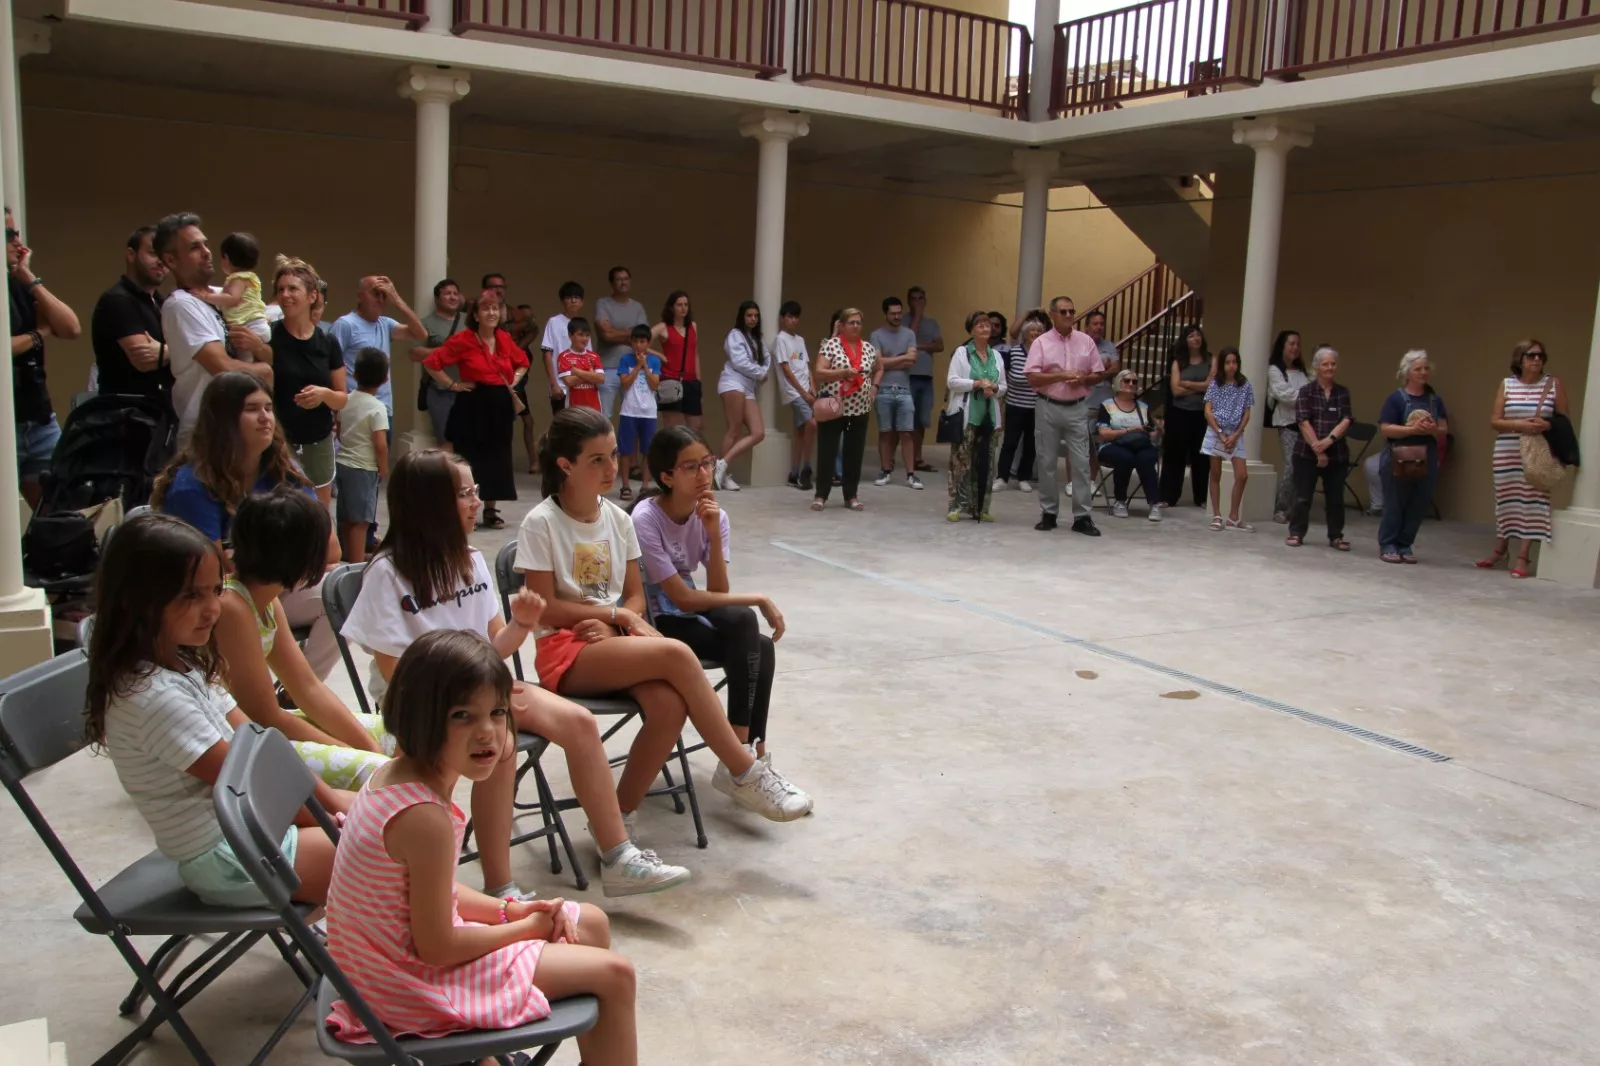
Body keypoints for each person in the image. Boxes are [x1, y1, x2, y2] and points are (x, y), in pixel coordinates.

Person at [341, 449, 691, 898]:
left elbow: (495, 646)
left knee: (579, 723)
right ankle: (500, 886)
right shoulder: (387, 575)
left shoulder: (470, 560)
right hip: (421, 705)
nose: (475, 503)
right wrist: (480, 699)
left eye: (475, 492)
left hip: (486, 693)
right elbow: (397, 672)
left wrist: (521, 625)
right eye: (464, 494)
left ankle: (617, 855)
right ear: (429, 504)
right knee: (500, 744)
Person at [323, 630, 639, 1065]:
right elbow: (436, 947)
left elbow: (436, 894)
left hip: (390, 964)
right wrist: (524, 930)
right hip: (404, 986)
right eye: (462, 716)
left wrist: (510, 911)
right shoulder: (422, 816)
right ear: (420, 717)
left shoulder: (398, 775)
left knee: (591, 923)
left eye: (496, 712)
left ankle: (485, 1057)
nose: (488, 733)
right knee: (616, 976)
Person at [517, 407, 813, 825]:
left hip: (614, 638)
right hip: (565, 649)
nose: (610, 468)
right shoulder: (541, 522)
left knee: (670, 706)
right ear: (565, 464)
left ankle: (614, 824)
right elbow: (545, 605)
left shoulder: (618, 520)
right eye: (596, 459)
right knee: (676, 655)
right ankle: (743, 770)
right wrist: (619, 615)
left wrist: (620, 618)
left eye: (613, 455)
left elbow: (637, 597)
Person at [85, 511, 339, 907]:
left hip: (254, 833)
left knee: (400, 820)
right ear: (138, 600)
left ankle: (460, 934)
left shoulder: (181, 664)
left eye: (215, 591)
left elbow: (261, 746)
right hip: (230, 857)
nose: (212, 609)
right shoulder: (153, 698)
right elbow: (252, 788)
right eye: (191, 595)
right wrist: (335, 817)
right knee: (393, 846)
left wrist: (336, 804)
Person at [151, 371, 341, 680]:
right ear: (223, 420)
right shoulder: (191, 486)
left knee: (341, 591)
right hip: (218, 601)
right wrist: (294, 555)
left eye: (268, 408)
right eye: (252, 409)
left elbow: (330, 548)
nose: (266, 418)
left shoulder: (283, 468)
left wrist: (265, 559)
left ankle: (294, 693)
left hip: (271, 584)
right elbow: (214, 575)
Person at [212, 489, 390, 791]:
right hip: (236, 741)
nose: (333, 549)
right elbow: (264, 715)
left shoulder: (267, 600)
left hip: (265, 727)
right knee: (378, 773)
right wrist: (355, 753)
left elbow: (307, 688)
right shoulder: (232, 606)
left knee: (402, 735)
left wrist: (369, 748)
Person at [631, 427, 790, 765]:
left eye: (706, 463)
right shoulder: (645, 518)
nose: (703, 474)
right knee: (747, 620)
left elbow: (718, 592)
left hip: (687, 614)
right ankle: (740, 757)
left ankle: (750, 750)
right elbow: (683, 599)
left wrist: (714, 535)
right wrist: (758, 598)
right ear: (667, 477)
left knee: (759, 645)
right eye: (691, 467)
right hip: (653, 621)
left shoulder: (715, 515)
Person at [155, 212, 270, 446]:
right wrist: (266, 371)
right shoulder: (181, 304)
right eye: (194, 247)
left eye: (206, 244)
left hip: (241, 429)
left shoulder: (224, 295)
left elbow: (270, 353)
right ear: (171, 260)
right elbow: (223, 368)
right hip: (205, 434)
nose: (207, 252)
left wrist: (260, 350)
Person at [422, 293, 528, 531]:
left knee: (498, 457)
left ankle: (490, 509)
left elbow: (523, 362)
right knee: (471, 457)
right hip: (473, 403)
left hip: (499, 404)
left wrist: (514, 381)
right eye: (486, 309)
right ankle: (465, 507)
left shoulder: (503, 337)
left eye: (496, 308)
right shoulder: (464, 339)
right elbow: (432, 363)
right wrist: (453, 384)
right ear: (475, 315)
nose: (492, 313)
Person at [9, 206, 82, 504]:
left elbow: (70, 327)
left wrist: (28, 276)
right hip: (7, 422)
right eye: (7, 235)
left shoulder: (18, 284)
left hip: (38, 419)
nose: (18, 243)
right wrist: (39, 335)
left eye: (16, 233)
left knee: (58, 512)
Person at [1480, 339, 1568, 577]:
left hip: (1538, 451)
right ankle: (1501, 549)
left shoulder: (1553, 384)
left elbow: (1563, 421)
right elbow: (1495, 421)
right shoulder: (1507, 384)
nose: (1537, 359)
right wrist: (1518, 424)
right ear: (1520, 359)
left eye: (1540, 355)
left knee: (1533, 500)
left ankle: (1523, 556)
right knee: (1506, 498)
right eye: (1531, 355)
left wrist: (1547, 424)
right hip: (1508, 449)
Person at [268, 255, 346, 509]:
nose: (285, 295)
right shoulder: (269, 336)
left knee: (318, 511)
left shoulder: (327, 342)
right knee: (280, 507)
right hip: (279, 438)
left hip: (318, 438)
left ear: (312, 296)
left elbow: (342, 397)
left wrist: (324, 394)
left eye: (293, 288)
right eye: (281, 289)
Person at [1025, 296, 1106, 536]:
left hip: (1078, 406)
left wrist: (1084, 378)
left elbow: (1098, 374)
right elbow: (1032, 376)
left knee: (1081, 463)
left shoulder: (1086, 341)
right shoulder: (1041, 342)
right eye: (1063, 312)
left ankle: (1082, 516)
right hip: (1048, 405)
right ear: (1053, 314)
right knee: (1047, 461)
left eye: (1072, 311)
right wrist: (1060, 376)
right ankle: (1049, 512)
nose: (1069, 315)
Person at [1377, 349, 1450, 564]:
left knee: (1419, 502)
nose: (1423, 373)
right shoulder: (1396, 399)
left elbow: (1444, 428)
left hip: (1426, 455)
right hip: (1399, 454)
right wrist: (1410, 429)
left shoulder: (1434, 401)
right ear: (1408, 372)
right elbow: (1386, 429)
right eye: (1418, 369)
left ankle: (1405, 543)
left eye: (1426, 368)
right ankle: (1388, 543)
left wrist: (1431, 428)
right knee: (1395, 501)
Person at [90, 224, 171, 409]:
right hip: (126, 416)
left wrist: (168, 351)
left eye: (165, 257)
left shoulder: (163, 302)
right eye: (153, 253)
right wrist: (183, 351)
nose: (161, 262)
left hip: (160, 412)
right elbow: (145, 360)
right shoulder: (117, 300)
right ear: (131, 254)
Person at [329, 274, 427, 419]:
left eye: (384, 295)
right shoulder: (345, 324)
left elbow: (421, 334)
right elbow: (331, 365)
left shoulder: (385, 323)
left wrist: (397, 300)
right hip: (355, 412)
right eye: (375, 294)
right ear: (359, 296)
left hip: (383, 410)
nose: (380, 300)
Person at [812, 308, 881, 511]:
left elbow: (880, 368)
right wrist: (842, 372)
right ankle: (820, 495)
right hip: (835, 406)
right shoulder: (830, 346)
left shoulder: (868, 348)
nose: (856, 326)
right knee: (828, 450)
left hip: (860, 408)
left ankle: (851, 495)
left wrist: (874, 387)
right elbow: (819, 372)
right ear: (841, 325)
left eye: (858, 322)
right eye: (851, 322)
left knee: (855, 452)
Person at [1287, 345, 1354, 550]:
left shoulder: (1342, 392)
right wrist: (1319, 448)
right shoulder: (1306, 392)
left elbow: (1347, 419)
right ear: (1316, 367)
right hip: (1306, 453)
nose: (1330, 368)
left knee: (1335, 498)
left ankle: (1336, 536)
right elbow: (1303, 421)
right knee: (1302, 496)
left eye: (1333, 364)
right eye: (1325, 364)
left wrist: (1329, 441)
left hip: (1337, 453)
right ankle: (1296, 533)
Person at [944, 311, 1006, 522]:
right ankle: (956, 506)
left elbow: (1004, 386)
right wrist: (977, 384)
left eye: (987, 325)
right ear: (971, 330)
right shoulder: (962, 353)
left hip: (989, 415)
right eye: (980, 325)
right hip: (967, 415)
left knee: (986, 462)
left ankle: (981, 507)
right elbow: (952, 381)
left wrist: (994, 387)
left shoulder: (996, 356)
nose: (985, 328)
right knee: (961, 461)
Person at [334, 348, 390, 562]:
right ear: (385, 379)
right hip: (364, 468)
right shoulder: (378, 408)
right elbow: (380, 444)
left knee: (347, 516)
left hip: (343, 464)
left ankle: (349, 555)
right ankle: (356, 564)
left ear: (354, 374)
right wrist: (383, 467)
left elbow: (338, 429)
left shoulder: (345, 400)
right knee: (361, 520)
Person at [714, 300, 770, 492]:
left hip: (748, 387)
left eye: (755, 316)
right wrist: (760, 373)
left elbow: (767, 361)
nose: (753, 319)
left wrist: (760, 371)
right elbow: (739, 362)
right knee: (734, 429)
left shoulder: (758, 339)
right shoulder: (735, 335)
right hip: (732, 382)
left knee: (759, 432)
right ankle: (723, 475)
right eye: (749, 315)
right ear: (742, 316)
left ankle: (721, 464)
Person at [1201, 346, 1256, 532]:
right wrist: (1220, 433)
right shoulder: (1215, 384)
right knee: (1215, 473)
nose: (1232, 366)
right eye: (1228, 362)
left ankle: (1234, 516)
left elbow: (1247, 412)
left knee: (1242, 474)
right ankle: (1217, 514)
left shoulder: (1245, 385)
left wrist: (1236, 434)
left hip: (1235, 432)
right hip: (1217, 431)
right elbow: (1208, 411)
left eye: (1235, 362)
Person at [870, 296, 922, 490]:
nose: (897, 316)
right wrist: (901, 358)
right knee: (885, 432)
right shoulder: (876, 335)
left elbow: (912, 360)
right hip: (882, 388)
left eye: (899, 313)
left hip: (904, 389)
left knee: (907, 433)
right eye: (893, 313)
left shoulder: (909, 334)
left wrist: (887, 360)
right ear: (886, 314)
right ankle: (885, 470)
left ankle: (911, 474)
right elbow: (876, 363)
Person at [1096, 369, 1161, 521]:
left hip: (1140, 445)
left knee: (1146, 458)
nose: (1131, 384)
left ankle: (1154, 503)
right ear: (1119, 382)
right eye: (1127, 381)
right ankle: (1120, 501)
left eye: (1134, 382)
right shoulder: (1107, 405)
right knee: (1124, 457)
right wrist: (1128, 430)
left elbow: (1152, 433)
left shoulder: (1143, 407)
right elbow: (1103, 433)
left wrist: (1157, 430)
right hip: (1112, 445)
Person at [1159, 324, 1212, 509]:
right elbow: (1175, 389)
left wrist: (1186, 383)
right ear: (1185, 340)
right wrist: (1199, 386)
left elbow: (1210, 387)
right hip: (1179, 413)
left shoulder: (1210, 361)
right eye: (1191, 336)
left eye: (1198, 335)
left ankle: (1202, 497)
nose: (1196, 338)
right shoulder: (1178, 362)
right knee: (1174, 455)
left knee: (1202, 456)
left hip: (1203, 414)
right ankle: (1168, 496)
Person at [409, 278, 466, 449]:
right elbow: (414, 354)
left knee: (469, 440)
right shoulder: (425, 323)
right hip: (440, 391)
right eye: (447, 293)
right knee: (446, 439)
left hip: (469, 388)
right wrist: (447, 351)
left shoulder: (470, 321)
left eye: (455, 293)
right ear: (437, 299)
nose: (452, 297)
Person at [593, 266, 649, 419]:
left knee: (633, 415)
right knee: (603, 416)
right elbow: (606, 335)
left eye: (625, 279)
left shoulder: (637, 307)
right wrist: (630, 334)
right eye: (618, 279)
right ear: (611, 283)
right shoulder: (603, 304)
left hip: (632, 367)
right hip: (607, 367)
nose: (623, 283)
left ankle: (629, 445)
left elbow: (643, 337)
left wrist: (615, 331)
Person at [615, 325, 662, 501]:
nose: (638, 345)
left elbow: (655, 385)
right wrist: (637, 367)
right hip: (629, 411)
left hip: (648, 413)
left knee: (648, 450)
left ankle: (644, 486)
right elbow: (625, 383)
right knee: (625, 450)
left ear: (648, 343)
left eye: (642, 341)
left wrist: (646, 367)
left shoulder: (655, 361)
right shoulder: (625, 359)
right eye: (635, 340)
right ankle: (625, 485)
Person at [1266, 329, 1309, 523]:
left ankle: (1296, 509)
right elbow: (1285, 395)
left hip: (1306, 425)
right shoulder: (1274, 370)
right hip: (1287, 424)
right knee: (1292, 466)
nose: (1295, 348)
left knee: (1303, 467)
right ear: (1282, 346)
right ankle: (1281, 507)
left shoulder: (1301, 371)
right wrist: (1308, 397)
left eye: (1298, 344)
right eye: (1291, 344)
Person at [994, 312, 1039, 494]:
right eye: (1032, 330)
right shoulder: (1014, 352)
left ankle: (1023, 477)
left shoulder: (1043, 354)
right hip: (1014, 404)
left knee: (1031, 444)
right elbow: (1008, 376)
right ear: (1025, 334)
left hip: (1036, 406)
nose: (1035, 333)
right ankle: (1002, 477)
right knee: (1010, 442)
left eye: (1038, 331)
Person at [201, 232, 271, 345]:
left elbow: (232, 298)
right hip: (257, 325)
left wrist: (206, 296)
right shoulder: (251, 277)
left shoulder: (238, 278)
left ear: (227, 258)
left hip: (250, 326)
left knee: (243, 358)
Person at [774, 300, 815, 491]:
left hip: (807, 391)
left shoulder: (800, 340)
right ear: (783, 319)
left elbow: (806, 366)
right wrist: (803, 393)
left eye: (795, 317)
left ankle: (794, 473)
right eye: (789, 316)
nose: (793, 320)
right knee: (811, 424)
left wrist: (812, 389)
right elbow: (786, 369)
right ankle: (807, 468)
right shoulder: (780, 339)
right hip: (794, 392)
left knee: (800, 433)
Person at [1080, 308, 1121, 492]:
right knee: (1077, 443)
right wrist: (1101, 371)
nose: (1099, 327)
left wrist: (1095, 373)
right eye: (1095, 324)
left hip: (1102, 402)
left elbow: (1116, 370)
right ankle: (1074, 481)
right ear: (1087, 326)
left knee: (1095, 446)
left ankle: (1091, 481)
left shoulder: (1109, 346)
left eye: (1101, 324)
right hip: (1082, 401)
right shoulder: (1079, 344)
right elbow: (1077, 371)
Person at [906, 286, 943, 473]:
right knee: (908, 420)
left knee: (922, 419)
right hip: (908, 377)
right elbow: (908, 340)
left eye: (921, 298)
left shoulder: (933, 323)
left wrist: (920, 346)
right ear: (908, 301)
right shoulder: (903, 321)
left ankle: (918, 457)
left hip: (926, 377)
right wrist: (917, 316)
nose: (917, 302)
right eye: (914, 298)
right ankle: (909, 458)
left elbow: (939, 345)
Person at [652, 290, 701, 433]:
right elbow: (639, 344)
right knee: (673, 428)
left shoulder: (693, 326)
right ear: (671, 307)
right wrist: (659, 355)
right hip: (671, 379)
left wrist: (698, 381)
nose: (683, 308)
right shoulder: (663, 327)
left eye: (686, 304)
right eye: (679, 304)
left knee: (695, 427)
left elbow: (695, 355)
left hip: (691, 381)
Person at [541, 281, 584, 418]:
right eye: (568, 297)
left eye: (576, 297)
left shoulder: (583, 324)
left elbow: (588, 357)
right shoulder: (554, 322)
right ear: (562, 301)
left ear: (582, 302)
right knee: (562, 426)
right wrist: (553, 384)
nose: (573, 301)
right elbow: (547, 354)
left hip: (580, 387)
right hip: (560, 386)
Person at [508, 302, 541, 478]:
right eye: (524, 319)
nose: (528, 322)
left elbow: (534, 330)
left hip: (518, 387)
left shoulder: (524, 345)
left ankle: (533, 460)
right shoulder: (502, 339)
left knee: (528, 421)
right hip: (503, 386)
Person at [558, 317, 604, 412]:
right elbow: (569, 381)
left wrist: (577, 372)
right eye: (580, 335)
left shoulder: (594, 356)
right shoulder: (564, 356)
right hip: (574, 408)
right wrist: (591, 374)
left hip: (594, 408)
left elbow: (601, 378)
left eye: (587, 335)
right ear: (570, 335)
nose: (584, 339)